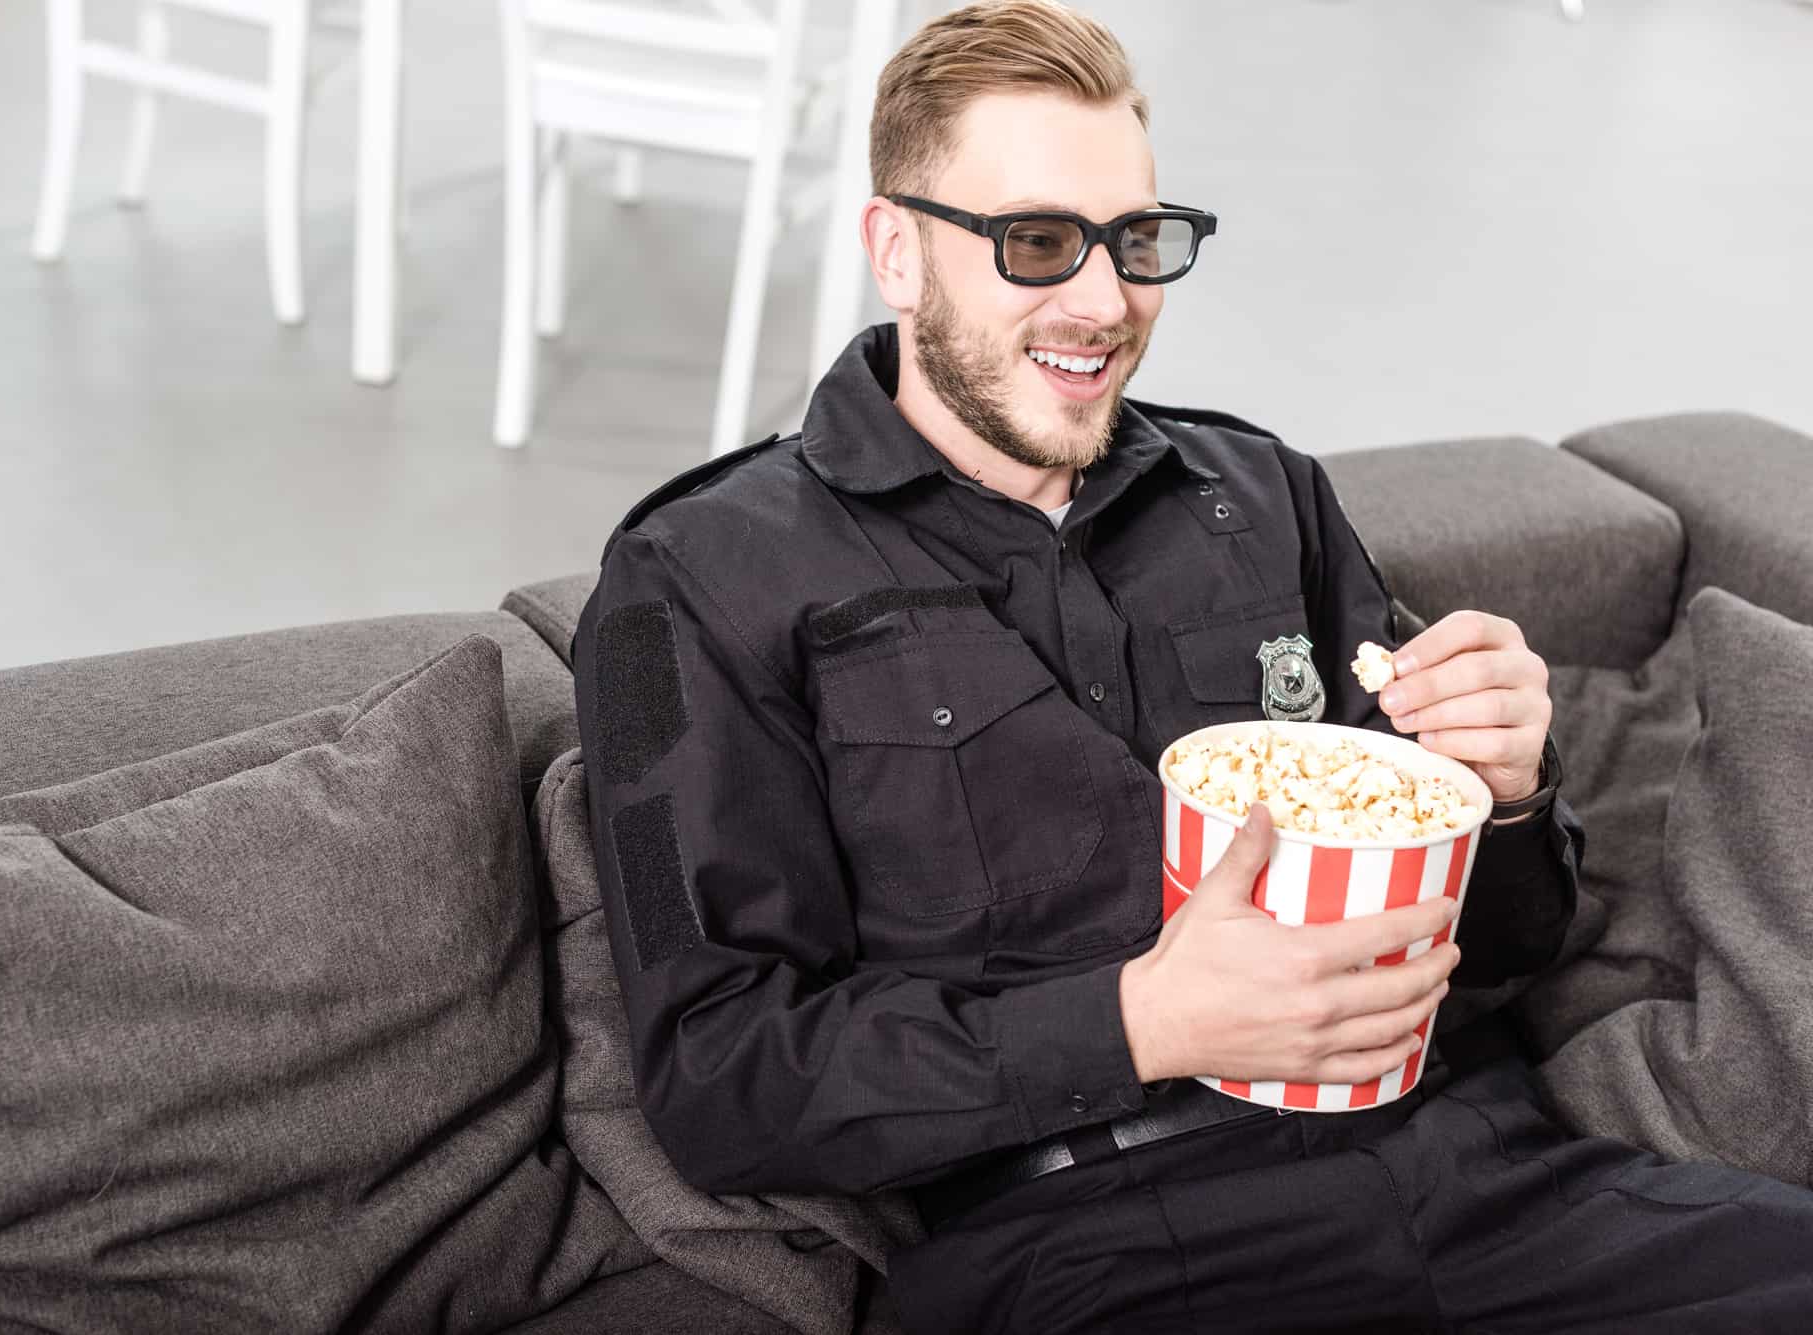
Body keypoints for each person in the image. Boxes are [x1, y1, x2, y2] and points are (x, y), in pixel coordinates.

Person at [571, 3, 1813, 1329]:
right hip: (1090, 1243)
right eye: (1037, 243)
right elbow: (722, 1084)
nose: (1104, 303)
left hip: (1481, 1175)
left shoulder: (1263, 494)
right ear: (897, 250)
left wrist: (1501, 795)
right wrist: (1143, 1024)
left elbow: (1503, 947)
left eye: (1137, 241)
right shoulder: (693, 579)